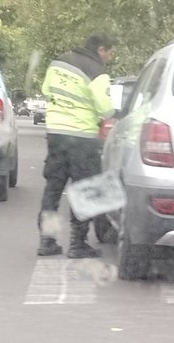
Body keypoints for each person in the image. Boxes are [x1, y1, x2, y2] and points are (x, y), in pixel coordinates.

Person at [37, 34, 116, 258]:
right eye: (110, 52)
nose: (110, 57)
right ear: (101, 49)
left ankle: (47, 241)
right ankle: (77, 243)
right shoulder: (97, 71)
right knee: (85, 190)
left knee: (53, 189)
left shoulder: (58, 63)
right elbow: (105, 109)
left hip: (55, 134)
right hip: (81, 137)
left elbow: (46, 90)